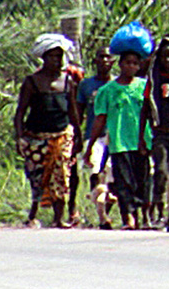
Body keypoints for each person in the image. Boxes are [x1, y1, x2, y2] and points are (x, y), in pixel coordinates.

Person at [14, 34, 81, 229]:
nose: (56, 61)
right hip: (36, 136)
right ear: (44, 58)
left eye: (59, 57)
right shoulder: (32, 82)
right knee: (37, 176)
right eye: (52, 56)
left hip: (61, 135)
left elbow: (73, 112)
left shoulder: (67, 81)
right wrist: (20, 138)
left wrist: (77, 136)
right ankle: (33, 213)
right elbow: (20, 113)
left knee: (61, 175)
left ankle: (59, 217)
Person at [86, 50, 152, 230]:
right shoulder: (107, 90)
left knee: (143, 181)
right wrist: (90, 146)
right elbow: (100, 119)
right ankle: (128, 217)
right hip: (119, 142)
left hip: (142, 141)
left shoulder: (145, 87)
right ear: (120, 64)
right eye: (127, 62)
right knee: (123, 183)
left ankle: (143, 217)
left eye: (134, 63)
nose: (131, 66)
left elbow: (152, 113)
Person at [140, 35, 169, 229]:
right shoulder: (154, 79)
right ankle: (157, 212)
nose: (168, 61)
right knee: (160, 171)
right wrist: (141, 137)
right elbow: (145, 108)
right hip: (161, 132)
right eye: (164, 57)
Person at [76, 49, 115, 228]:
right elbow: (79, 113)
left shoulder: (118, 84)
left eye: (108, 57)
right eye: (101, 56)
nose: (105, 60)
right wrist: (76, 136)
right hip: (93, 135)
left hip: (114, 137)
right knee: (96, 172)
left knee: (111, 176)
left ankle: (104, 209)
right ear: (95, 60)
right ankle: (100, 212)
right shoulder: (86, 85)